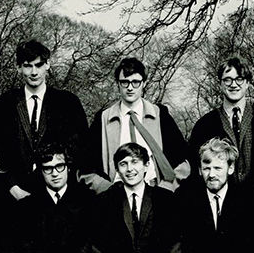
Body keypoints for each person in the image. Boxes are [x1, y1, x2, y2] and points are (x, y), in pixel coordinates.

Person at [0, 39, 88, 200]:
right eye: (28, 66)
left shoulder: (68, 103)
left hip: (58, 195)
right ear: (18, 67)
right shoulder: (5, 104)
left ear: (48, 64)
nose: (34, 72)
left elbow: (81, 148)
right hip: (15, 195)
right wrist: (12, 187)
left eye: (38, 65)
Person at [80, 57, 190, 193]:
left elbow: (184, 161)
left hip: (155, 193)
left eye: (136, 82)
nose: (130, 88)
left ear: (144, 83)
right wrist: (107, 191)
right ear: (118, 84)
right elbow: (85, 168)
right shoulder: (103, 118)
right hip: (117, 195)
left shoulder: (160, 115)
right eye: (124, 82)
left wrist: (167, 188)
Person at [188, 57, 254, 192]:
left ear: (247, 82)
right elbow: (196, 169)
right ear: (220, 84)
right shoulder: (205, 125)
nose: (233, 84)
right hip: (222, 202)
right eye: (227, 79)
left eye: (239, 79)